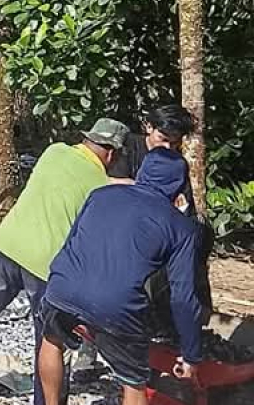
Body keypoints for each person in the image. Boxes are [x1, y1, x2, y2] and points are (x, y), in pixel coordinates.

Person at [0, 118, 131, 404]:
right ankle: (47, 399)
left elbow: (76, 179)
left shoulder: (54, 152)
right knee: (51, 340)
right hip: (47, 268)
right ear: (112, 154)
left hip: (6, 245)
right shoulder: (102, 187)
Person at [38, 148, 204, 405]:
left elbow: (71, 242)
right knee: (134, 381)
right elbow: (183, 295)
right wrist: (191, 353)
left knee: (52, 340)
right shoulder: (182, 228)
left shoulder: (101, 194)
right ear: (180, 186)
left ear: (142, 173)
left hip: (62, 285)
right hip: (115, 306)